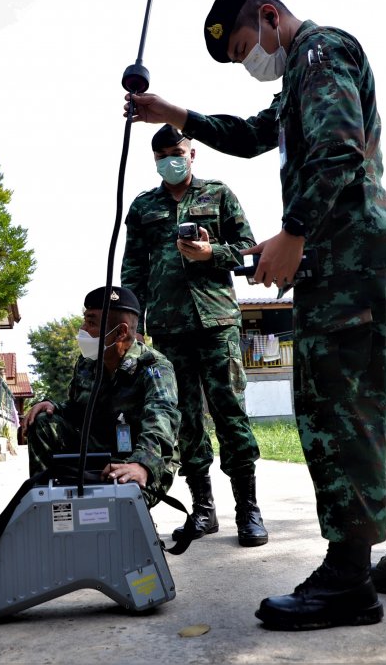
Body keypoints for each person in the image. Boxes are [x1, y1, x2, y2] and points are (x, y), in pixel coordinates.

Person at [124, 0, 386, 630]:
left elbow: (337, 147)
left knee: (338, 405)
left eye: (247, 46)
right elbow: (249, 134)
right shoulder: (299, 74)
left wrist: (294, 232)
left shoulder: (317, 53)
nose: (250, 61)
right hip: (373, 250)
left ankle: (349, 574)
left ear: (270, 17)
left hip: (345, 252)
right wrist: (176, 115)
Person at [120, 125, 268, 548]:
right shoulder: (143, 206)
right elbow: (134, 270)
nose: (171, 159)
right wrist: (133, 324)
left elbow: (248, 249)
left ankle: (248, 510)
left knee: (231, 415)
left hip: (217, 323)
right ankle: (203, 509)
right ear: (154, 160)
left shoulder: (218, 194)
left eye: (177, 151)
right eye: (162, 154)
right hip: (167, 328)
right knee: (184, 420)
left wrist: (211, 252)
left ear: (192, 153)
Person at [22, 286, 180, 508]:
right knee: (44, 422)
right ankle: (46, 506)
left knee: (121, 504)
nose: (82, 329)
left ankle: (130, 521)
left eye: (91, 323)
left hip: (139, 457)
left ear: (120, 332)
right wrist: (54, 407)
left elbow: (161, 419)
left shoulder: (154, 367)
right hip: (95, 454)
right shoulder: (87, 364)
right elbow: (78, 412)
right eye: (85, 321)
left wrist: (141, 464)